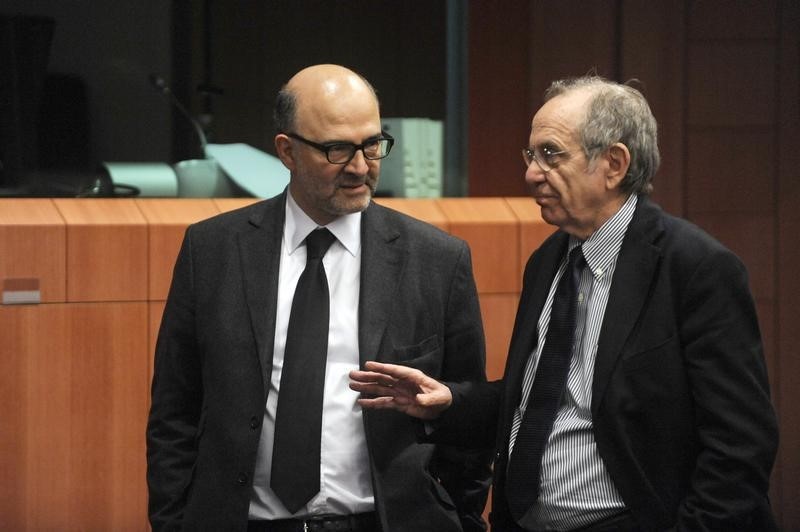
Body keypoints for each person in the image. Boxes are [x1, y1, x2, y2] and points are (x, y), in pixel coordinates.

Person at [350, 75, 779, 531]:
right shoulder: (549, 260)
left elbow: (740, 447)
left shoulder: (695, 268)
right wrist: (450, 403)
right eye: (531, 155)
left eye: (551, 155)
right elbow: (542, 399)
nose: (532, 173)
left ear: (613, 164)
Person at [146, 64, 491, 532]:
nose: (359, 167)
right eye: (336, 149)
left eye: (372, 144)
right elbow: (175, 412)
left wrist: (463, 521)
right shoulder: (213, 252)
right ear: (286, 151)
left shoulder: (436, 259)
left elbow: (467, 415)